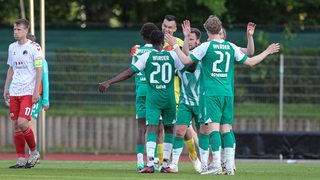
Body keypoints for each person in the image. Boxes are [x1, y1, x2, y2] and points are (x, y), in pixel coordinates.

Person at [165, 16, 280, 175]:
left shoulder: (205, 46)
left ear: (206, 30)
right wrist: (267, 51)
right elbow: (251, 61)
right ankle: (229, 167)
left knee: (213, 129)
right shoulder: (230, 46)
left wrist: (175, 46)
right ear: (220, 29)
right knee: (226, 128)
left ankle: (217, 165)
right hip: (228, 94)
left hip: (212, 94)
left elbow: (185, 60)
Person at [99, 30, 186, 173]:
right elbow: (188, 66)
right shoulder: (173, 56)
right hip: (169, 98)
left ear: (151, 42)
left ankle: (150, 164)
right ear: (163, 42)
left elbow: (129, 73)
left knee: (152, 128)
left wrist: (109, 82)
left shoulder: (146, 56)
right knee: (169, 128)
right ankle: (165, 164)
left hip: (153, 99)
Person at [3, 18, 43, 168]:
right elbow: (11, 69)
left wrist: (35, 92)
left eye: (18, 29)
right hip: (15, 91)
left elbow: (39, 70)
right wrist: (6, 88)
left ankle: (34, 152)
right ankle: (20, 159)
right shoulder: (12, 47)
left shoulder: (35, 47)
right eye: (14, 29)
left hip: (28, 92)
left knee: (22, 122)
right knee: (15, 125)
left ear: (26, 30)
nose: (16, 32)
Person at [168, 26, 202, 173]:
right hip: (185, 102)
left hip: (202, 102)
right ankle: (174, 164)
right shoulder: (178, 55)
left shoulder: (201, 54)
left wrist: (175, 46)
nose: (189, 42)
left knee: (204, 133)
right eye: (187, 39)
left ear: (198, 41)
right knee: (179, 131)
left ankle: (207, 163)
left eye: (191, 39)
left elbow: (190, 65)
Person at [130, 22, 160, 171]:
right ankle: (153, 161)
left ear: (142, 35)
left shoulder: (136, 51)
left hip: (141, 90)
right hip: (154, 91)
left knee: (141, 128)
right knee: (153, 128)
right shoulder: (159, 52)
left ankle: (140, 161)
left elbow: (133, 69)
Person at [27, 33, 50, 162]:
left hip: (35, 97)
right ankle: (30, 153)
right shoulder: (22, 59)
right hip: (22, 95)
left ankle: (33, 153)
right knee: (22, 125)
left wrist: (45, 100)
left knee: (30, 123)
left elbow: (45, 80)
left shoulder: (41, 60)